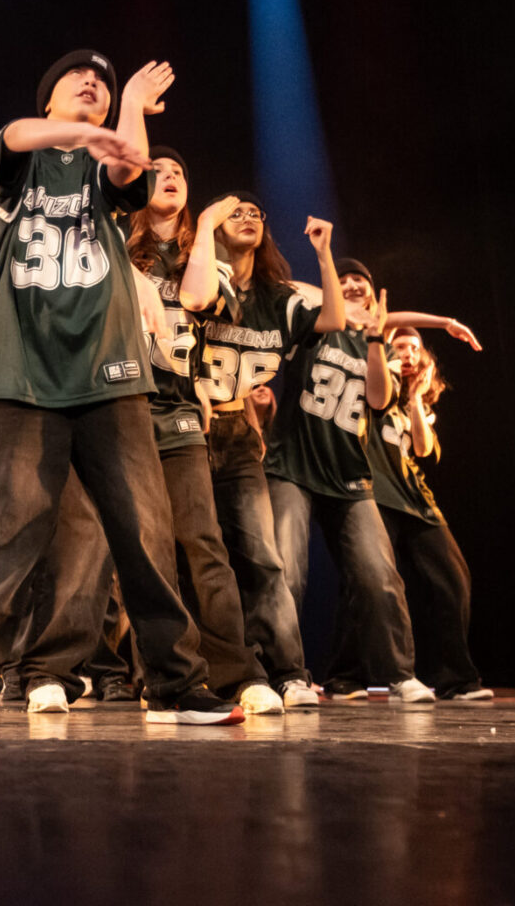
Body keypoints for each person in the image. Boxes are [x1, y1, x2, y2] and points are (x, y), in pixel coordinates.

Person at [0, 49, 237, 726]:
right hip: (22, 371)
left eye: (103, 81)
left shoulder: (104, 169)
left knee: (144, 530)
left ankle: (177, 684)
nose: (92, 82)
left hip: (108, 371)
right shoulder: (22, 160)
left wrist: (130, 111)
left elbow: (129, 169)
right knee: (4, 527)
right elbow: (14, 134)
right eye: (77, 76)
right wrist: (83, 131)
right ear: (48, 100)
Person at [126, 150, 292, 715]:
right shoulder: (116, 246)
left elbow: (197, 299)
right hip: (122, 407)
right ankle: (161, 675)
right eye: (157, 170)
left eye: (179, 171)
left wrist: (205, 227)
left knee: (205, 544)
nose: (169, 175)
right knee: (146, 552)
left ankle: (237, 675)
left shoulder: (206, 255)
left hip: (177, 410)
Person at [260, 254, 436, 702]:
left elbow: (377, 399)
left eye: (362, 280)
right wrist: (329, 279)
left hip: (350, 476)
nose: (355, 284)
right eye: (346, 279)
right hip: (293, 467)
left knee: (378, 576)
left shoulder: (380, 347)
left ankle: (399, 675)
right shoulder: (313, 323)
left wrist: (376, 335)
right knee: (286, 573)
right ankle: (285, 675)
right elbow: (287, 287)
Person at [195, 194, 323, 709]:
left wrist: (324, 254)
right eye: (235, 212)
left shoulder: (274, 296)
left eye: (255, 213)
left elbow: (335, 316)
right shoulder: (197, 279)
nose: (248, 217)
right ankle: (197, 674)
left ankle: (288, 672)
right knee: (196, 559)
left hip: (237, 436)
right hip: (187, 431)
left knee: (263, 558)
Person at [364, 328, 492, 700]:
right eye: (400, 346)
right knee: (371, 583)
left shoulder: (418, 405)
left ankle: (457, 680)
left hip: (417, 502)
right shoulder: (374, 389)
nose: (408, 353)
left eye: (415, 348)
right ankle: (348, 674)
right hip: (377, 496)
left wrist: (416, 399)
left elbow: (422, 449)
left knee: (453, 578)